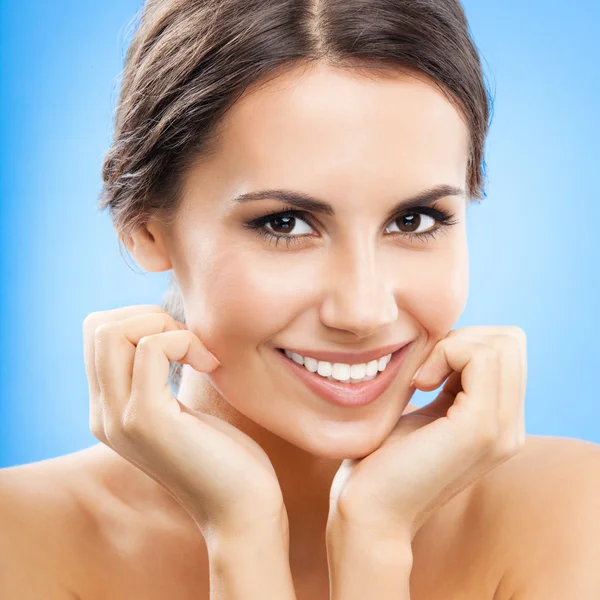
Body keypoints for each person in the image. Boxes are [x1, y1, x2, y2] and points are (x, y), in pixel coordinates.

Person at [2, 1, 599, 598]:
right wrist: (241, 537)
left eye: (414, 220)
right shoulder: (19, 538)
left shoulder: (572, 511)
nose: (363, 312)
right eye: (286, 224)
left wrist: (375, 538)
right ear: (146, 226)